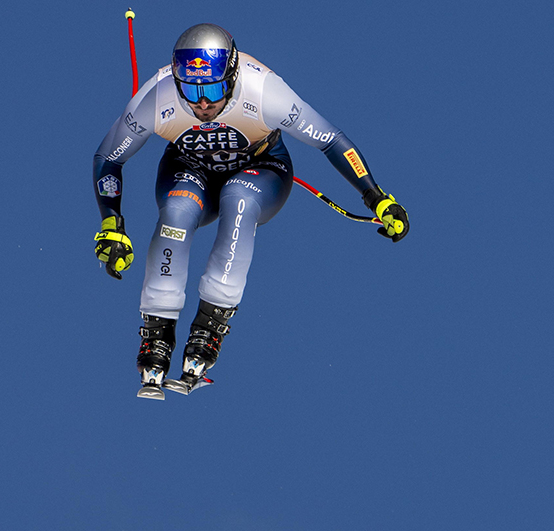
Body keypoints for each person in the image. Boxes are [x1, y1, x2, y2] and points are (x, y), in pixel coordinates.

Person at [92, 23, 409, 400]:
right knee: (177, 212)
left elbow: (330, 139)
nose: (202, 103)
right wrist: (111, 222)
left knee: (239, 200)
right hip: (189, 170)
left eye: (211, 88)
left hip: (261, 170)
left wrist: (375, 196)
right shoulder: (157, 96)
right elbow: (108, 158)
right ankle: (157, 333)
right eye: (190, 91)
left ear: (233, 74)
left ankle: (211, 325)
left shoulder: (263, 91)